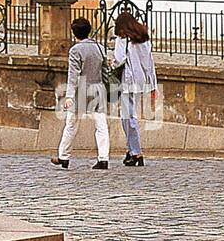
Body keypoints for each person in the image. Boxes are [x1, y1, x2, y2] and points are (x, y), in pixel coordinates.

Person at [51, 17, 110, 170]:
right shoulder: (99, 47)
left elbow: (73, 75)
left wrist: (69, 96)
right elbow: (105, 71)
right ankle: (103, 158)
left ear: (74, 33)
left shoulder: (76, 50)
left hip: (81, 90)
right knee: (101, 125)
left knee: (71, 124)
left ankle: (64, 156)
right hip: (98, 88)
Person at [112, 11, 158, 167]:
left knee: (128, 117)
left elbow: (118, 60)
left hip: (126, 81)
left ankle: (136, 152)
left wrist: (112, 63)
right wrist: (152, 84)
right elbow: (149, 63)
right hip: (139, 81)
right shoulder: (144, 40)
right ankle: (131, 150)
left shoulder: (123, 40)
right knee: (130, 115)